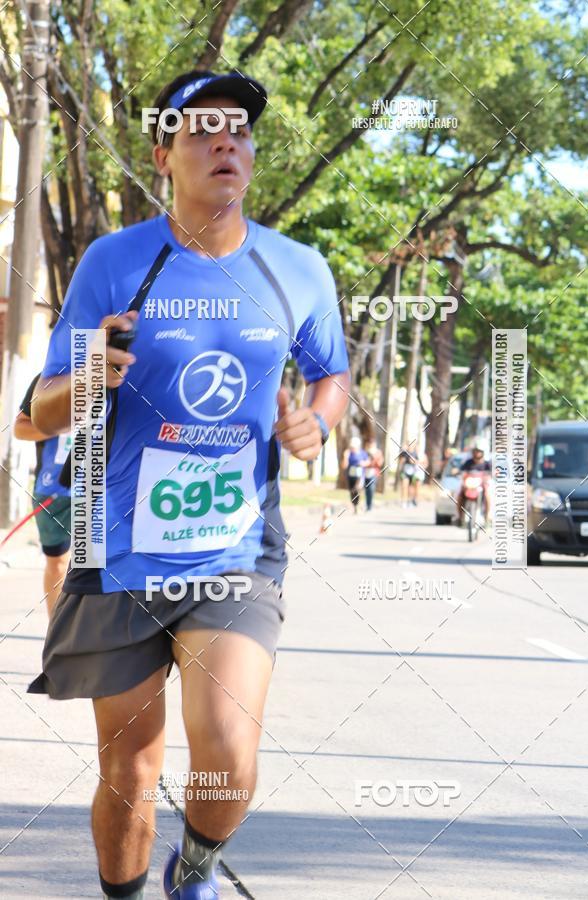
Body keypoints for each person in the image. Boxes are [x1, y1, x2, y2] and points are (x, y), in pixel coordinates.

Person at [27, 69, 350, 900]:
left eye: (238, 130)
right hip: (115, 549)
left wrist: (318, 421)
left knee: (230, 750)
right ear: (162, 152)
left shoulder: (297, 270)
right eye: (202, 129)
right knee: (130, 773)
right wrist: (93, 369)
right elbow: (35, 416)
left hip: (235, 549)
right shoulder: (114, 262)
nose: (225, 142)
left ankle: (197, 867)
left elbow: (332, 376)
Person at [13, 373, 72, 615]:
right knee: (58, 563)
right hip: (54, 489)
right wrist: (60, 425)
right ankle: (56, 634)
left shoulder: (126, 376)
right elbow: (20, 428)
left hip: (107, 488)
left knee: (100, 566)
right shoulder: (49, 377)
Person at [457, 442, 491, 525]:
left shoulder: (487, 464)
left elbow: (492, 473)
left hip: (481, 485)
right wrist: (456, 471)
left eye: (479, 451)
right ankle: (460, 517)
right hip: (469, 484)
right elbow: (461, 471)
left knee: (487, 494)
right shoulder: (468, 462)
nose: (477, 453)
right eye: (475, 451)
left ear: (483, 452)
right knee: (459, 496)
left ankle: (486, 517)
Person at [342, 436, 368, 513]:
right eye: (352, 447)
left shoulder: (362, 453)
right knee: (352, 491)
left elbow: (368, 462)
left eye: (354, 447)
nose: (353, 448)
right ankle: (355, 506)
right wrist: (345, 457)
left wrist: (363, 463)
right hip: (351, 475)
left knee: (358, 489)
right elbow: (344, 466)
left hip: (360, 475)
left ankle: (358, 505)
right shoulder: (348, 453)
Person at [363, 439, 383, 511]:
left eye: (372, 443)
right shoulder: (365, 452)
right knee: (367, 489)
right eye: (370, 443)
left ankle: (370, 505)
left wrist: (373, 459)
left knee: (371, 488)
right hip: (366, 472)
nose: (371, 445)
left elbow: (380, 463)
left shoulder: (378, 452)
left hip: (373, 472)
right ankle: (367, 504)